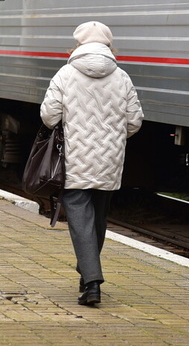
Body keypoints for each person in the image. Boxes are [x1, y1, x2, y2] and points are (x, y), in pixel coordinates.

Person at [39, 21, 143, 307]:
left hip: (75, 159)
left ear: (78, 46)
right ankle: (87, 276)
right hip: (109, 160)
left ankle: (92, 281)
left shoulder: (65, 74)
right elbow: (134, 121)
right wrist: (113, 138)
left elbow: (49, 117)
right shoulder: (121, 77)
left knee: (81, 221)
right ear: (109, 46)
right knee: (97, 220)